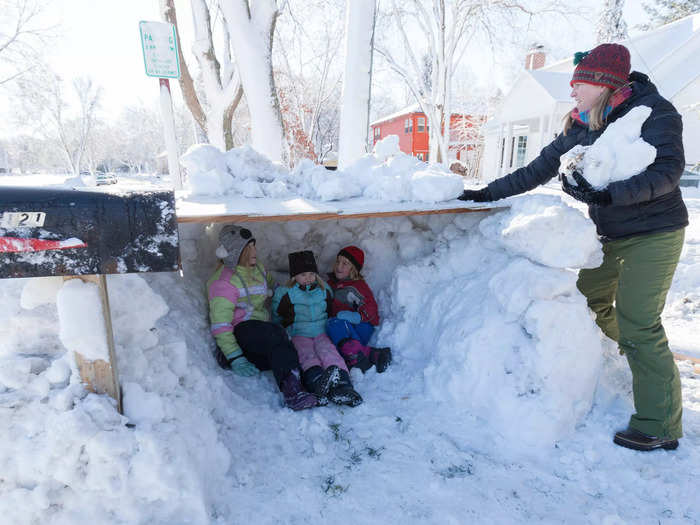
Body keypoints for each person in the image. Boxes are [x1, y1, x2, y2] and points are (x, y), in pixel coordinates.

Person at [458, 43, 688, 452]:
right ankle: (632, 360)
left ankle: (660, 424)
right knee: (587, 302)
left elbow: (668, 172)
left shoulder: (655, 113)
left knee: (640, 323)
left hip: (654, 232)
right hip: (611, 234)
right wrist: (484, 194)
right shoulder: (583, 123)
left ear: (603, 84)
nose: (572, 91)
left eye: (579, 83)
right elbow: (538, 168)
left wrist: (606, 196)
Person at [207, 225, 318, 411]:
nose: (254, 251)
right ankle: (293, 393)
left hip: (259, 328)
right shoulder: (223, 283)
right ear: (236, 252)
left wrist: (297, 295)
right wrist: (235, 357)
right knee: (276, 335)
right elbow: (221, 325)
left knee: (285, 348)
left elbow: (274, 287)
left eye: (254, 246)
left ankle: (308, 383)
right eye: (248, 248)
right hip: (240, 330)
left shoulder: (257, 269)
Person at [272, 250, 363, 407]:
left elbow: (329, 309)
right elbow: (277, 315)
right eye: (303, 275)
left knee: (329, 352)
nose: (308, 278)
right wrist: (285, 331)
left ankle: (343, 386)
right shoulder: (285, 293)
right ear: (294, 276)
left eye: (311, 274)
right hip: (299, 334)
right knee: (307, 355)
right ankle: (317, 382)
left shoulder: (324, 289)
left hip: (321, 332)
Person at [326, 246, 392, 373]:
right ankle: (371, 354)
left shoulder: (357, 286)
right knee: (333, 327)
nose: (339, 266)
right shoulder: (330, 284)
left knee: (333, 324)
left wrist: (357, 317)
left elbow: (371, 307)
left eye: (345, 264)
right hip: (344, 330)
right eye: (338, 261)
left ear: (353, 269)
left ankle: (355, 357)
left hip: (360, 327)